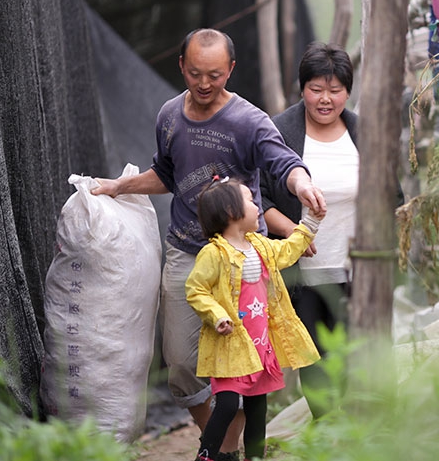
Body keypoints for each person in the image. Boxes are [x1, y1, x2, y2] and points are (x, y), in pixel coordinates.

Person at [92, 28, 326, 461]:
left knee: (250, 365)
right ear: (182, 65)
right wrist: (119, 186)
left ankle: (224, 452)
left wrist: (303, 184)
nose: (203, 84)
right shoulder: (169, 116)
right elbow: (166, 173)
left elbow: (283, 162)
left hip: (242, 261)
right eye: (195, 73)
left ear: (230, 70)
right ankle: (222, 438)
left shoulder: (248, 120)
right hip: (187, 252)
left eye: (214, 75)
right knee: (180, 361)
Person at [186, 176, 322, 461]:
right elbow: (196, 289)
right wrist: (217, 315)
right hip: (230, 348)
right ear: (231, 212)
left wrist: (311, 222)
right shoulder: (213, 253)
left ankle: (255, 457)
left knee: (257, 408)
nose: (257, 205)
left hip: (259, 348)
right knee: (226, 404)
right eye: (250, 200)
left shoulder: (260, 246)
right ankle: (206, 455)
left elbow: (287, 250)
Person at [260, 42, 361, 419]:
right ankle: (325, 429)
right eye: (316, 89)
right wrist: (291, 233)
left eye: (335, 91)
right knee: (313, 359)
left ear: (348, 92)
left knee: (351, 355)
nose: (325, 99)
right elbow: (259, 198)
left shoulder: (362, 132)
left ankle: (347, 434)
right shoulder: (278, 131)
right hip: (301, 274)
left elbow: (389, 194)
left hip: (355, 269)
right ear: (302, 88)